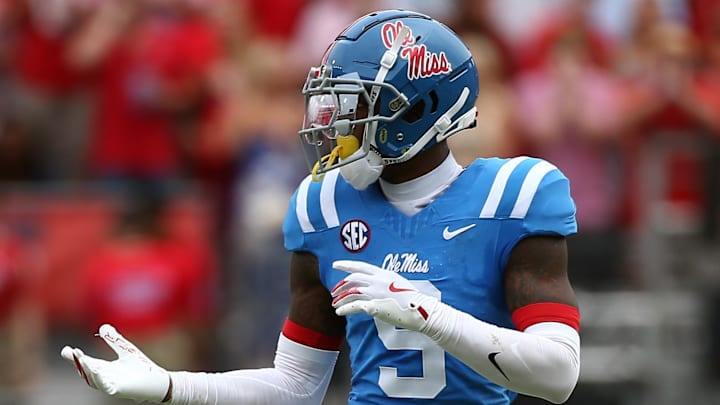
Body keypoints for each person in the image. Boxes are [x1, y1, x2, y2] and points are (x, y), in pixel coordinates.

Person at [60, 9, 581, 405]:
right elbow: (296, 383)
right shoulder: (325, 207)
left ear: (418, 109)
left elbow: (558, 375)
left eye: (355, 109)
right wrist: (174, 387)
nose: (336, 129)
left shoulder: (511, 196)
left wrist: (427, 314)